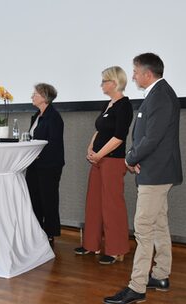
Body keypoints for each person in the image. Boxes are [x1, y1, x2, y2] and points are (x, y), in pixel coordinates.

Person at [104, 53, 183, 304]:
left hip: (155, 173)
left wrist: (130, 157)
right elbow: (150, 136)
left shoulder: (160, 95)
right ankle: (160, 275)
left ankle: (136, 287)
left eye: (136, 71)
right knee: (158, 224)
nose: (134, 76)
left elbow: (152, 137)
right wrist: (137, 156)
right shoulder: (159, 93)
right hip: (155, 169)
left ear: (147, 73)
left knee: (143, 229)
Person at [74, 66, 133, 265]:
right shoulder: (107, 105)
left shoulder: (124, 105)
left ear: (114, 83)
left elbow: (118, 137)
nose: (101, 85)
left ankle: (116, 249)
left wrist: (99, 154)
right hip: (99, 160)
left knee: (112, 205)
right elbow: (99, 130)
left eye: (104, 81)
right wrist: (91, 149)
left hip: (113, 161)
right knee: (94, 202)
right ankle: (92, 244)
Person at [26, 83, 64, 246]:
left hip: (49, 165)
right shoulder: (36, 116)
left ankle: (49, 234)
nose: (32, 97)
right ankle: (36, 231)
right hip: (34, 165)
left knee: (48, 199)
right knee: (34, 198)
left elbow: (54, 143)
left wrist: (38, 155)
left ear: (44, 97)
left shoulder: (54, 117)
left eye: (35, 94)